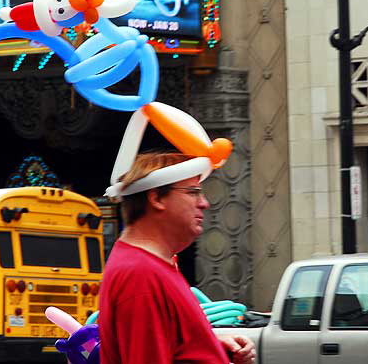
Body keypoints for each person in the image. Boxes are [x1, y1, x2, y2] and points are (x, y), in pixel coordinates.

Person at [99, 151, 255, 364]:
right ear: (156, 198)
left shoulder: (150, 265)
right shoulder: (141, 275)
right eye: (193, 192)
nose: (204, 203)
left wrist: (210, 346)